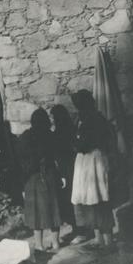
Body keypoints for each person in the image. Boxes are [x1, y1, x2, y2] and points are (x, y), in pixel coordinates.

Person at [70, 89, 115, 248]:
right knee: (91, 199)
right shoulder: (86, 118)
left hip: (93, 160)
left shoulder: (93, 119)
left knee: (99, 198)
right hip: (89, 161)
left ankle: (107, 240)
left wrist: (76, 143)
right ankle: (99, 239)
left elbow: (84, 144)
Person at [19, 108, 63, 251]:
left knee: (36, 213)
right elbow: (57, 156)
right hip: (50, 175)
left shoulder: (26, 136)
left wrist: (23, 180)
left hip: (33, 178)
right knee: (53, 209)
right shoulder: (51, 136)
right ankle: (55, 242)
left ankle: (39, 245)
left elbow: (23, 161)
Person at [50, 104, 89, 244]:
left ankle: (81, 230)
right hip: (69, 168)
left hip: (68, 169)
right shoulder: (66, 129)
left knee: (73, 200)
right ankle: (78, 228)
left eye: (53, 116)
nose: (52, 119)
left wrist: (61, 172)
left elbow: (62, 152)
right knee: (71, 200)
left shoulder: (62, 132)